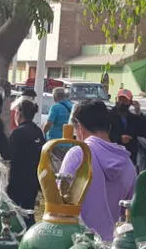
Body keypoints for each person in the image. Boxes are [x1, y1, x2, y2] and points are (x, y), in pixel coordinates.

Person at [59, 99, 137, 241]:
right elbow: (129, 211)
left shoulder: (78, 155)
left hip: (76, 244)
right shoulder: (128, 164)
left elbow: (59, 202)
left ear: (79, 127)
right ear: (109, 127)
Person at [8, 97, 45, 227]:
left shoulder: (17, 133)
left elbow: (9, 157)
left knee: (15, 214)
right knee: (28, 213)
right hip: (33, 180)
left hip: (16, 181)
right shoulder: (38, 132)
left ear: (19, 113)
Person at [109, 88, 146, 165]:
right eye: (120, 99)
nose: (121, 103)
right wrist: (119, 139)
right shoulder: (108, 116)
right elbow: (103, 136)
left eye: (124, 100)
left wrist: (139, 112)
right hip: (112, 157)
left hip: (130, 159)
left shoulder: (133, 118)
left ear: (130, 102)